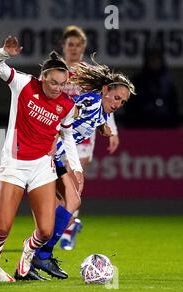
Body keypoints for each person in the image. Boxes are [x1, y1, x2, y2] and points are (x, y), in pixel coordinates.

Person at [30, 55, 136, 280]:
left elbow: (85, 124)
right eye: (116, 97)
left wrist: (103, 129)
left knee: (66, 208)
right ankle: (39, 256)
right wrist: (51, 136)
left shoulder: (102, 112)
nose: (117, 104)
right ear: (105, 89)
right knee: (67, 205)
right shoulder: (90, 101)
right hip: (45, 154)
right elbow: (63, 114)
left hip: (55, 156)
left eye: (122, 102)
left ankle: (37, 257)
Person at [0, 35, 80, 282]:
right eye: (53, 83)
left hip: (41, 166)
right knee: (3, 226)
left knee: (46, 231)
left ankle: (27, 253)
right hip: (14, 163)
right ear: (43, 78)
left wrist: (75, 166)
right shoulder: (24, 84)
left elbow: (67, 134)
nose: (57, 88)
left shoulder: (67, 106)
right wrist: (4, 53)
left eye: (62, 84)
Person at [59, 25, 120, 251]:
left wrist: (111, 129)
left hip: (84, 135)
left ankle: (66, 227)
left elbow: (106, 102)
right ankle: (69, 224)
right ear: (64, 46)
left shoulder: (89, 74)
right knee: (58, 185)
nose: (74, 49)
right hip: (59, 133)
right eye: (70, 45)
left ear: (83, 47)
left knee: (73, 182)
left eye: (78, 45)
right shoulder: (56, 72)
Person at [125, 47, 179, 128]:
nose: (155, 63)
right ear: (147, 62)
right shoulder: (138, 81)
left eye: (157, 60)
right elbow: (131, 105)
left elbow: (173, 105)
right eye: (152, 60)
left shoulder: (168, 81)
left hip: (164, 124)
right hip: (142, 124)